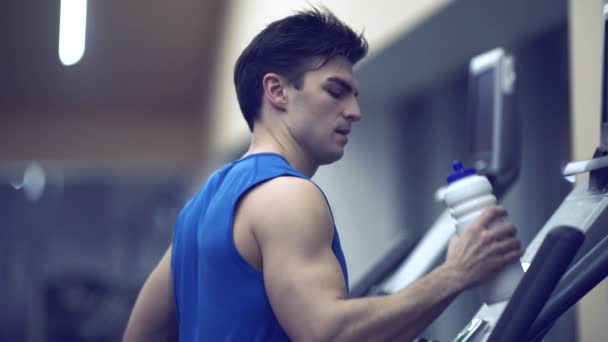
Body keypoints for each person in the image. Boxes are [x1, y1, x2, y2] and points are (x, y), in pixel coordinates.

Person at [123, 7, 522, 342]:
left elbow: (139, 333)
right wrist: (456, 274)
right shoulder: (287, 195)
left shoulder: (202, 203)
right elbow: (325, 333)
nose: (354, 111)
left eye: (354, 95)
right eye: (336, 91)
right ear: (277, 92)